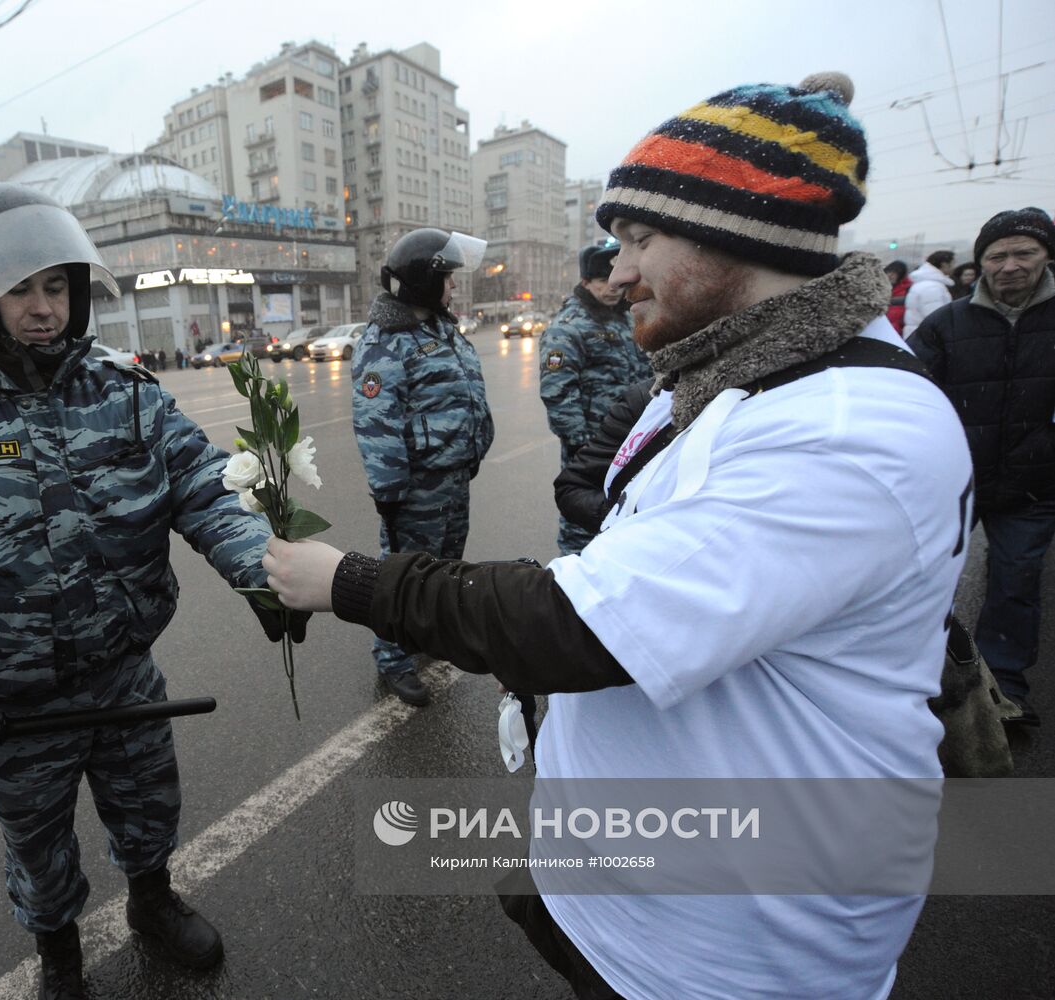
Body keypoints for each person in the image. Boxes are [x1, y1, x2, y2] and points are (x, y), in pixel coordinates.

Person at [264, 72, 974, 1000]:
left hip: (730, 947)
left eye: (640, 238)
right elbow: (623, 478)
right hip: (640, 886)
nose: (617, 267)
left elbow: (581, 628)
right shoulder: (734, 368)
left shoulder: (841, 427)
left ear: (738, 232)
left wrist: (350, 581)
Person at [0, 183, 299, 999]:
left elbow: (206, 490)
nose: (42, 309)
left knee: (148, 807)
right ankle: (59, 957)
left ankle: (151, 902)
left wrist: (265, 573)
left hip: (123, 673)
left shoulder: (126, 392)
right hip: (9, 700)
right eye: (19, 290)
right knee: (38, 845)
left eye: (55, 287)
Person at [909, 206, 1055, 727]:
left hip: (1036, 485)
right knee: (923, 578)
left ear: (1046, 257)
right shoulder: (948, 322)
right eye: (997, 255)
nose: (1009, 265)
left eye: (1024, 253)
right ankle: (923, 681)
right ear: (980, 261)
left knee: (1016, 581)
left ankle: (1006, 690)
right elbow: (906, 389)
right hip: (956, 482)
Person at [350, 226, 494, 706]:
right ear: (421, 280)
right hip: (415, 488)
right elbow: (376, 420)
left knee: (445, 568)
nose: (453, 287)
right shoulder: (385, 340)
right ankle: (391, 657)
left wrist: (471, 450)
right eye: (447, 278)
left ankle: (429, 639)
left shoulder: (437, 326)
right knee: (402, 575)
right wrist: (389, 492)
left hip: (453, 477)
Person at [538, 241, 650, 555]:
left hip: (633, 441)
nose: (611, 288)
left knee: (622, 519)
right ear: (586, 281)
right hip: (594, 446)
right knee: (582, 526)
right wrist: (583, 445)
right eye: (602, 281)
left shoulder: (624, 319)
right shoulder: (568, 328)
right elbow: (558, 393)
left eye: (612, 278)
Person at [903, 249, 955, 335]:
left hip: (918, 336)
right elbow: (936, 318)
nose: (954, 267)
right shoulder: (932, 288)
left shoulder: (926, 283)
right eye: (953, 264)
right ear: (944, 265)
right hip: (926, 338)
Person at [884, 259, 911, 333]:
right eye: (889, 271)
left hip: (896, 331)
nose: (890, 275)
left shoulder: (908, 289)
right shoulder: (877, 287)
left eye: (895, 273)